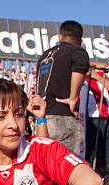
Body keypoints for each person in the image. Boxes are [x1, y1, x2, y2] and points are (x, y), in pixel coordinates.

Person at [37, 20, 89, 155]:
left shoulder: (45, 55)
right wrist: (73, 98)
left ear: (60, 36)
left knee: (43, 163)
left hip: (42, 118)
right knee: (67, 168)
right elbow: (79, 70)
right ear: (80, 40)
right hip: (62, 116)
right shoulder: (78, 52)